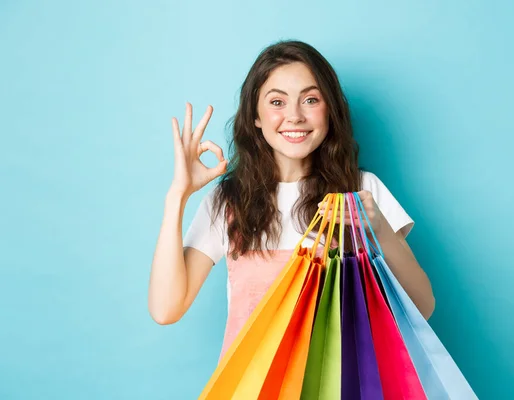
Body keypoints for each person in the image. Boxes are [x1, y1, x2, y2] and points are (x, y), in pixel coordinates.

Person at [148, 40, 435, 360]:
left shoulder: (362, 191)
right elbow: (165, 309)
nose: (295, 116)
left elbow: (422, 306)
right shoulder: (228, 202)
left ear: (330, 110)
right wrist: (178, 195)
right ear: (255, 116)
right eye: (277, 102)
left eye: (310, 99)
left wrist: (377, 228)